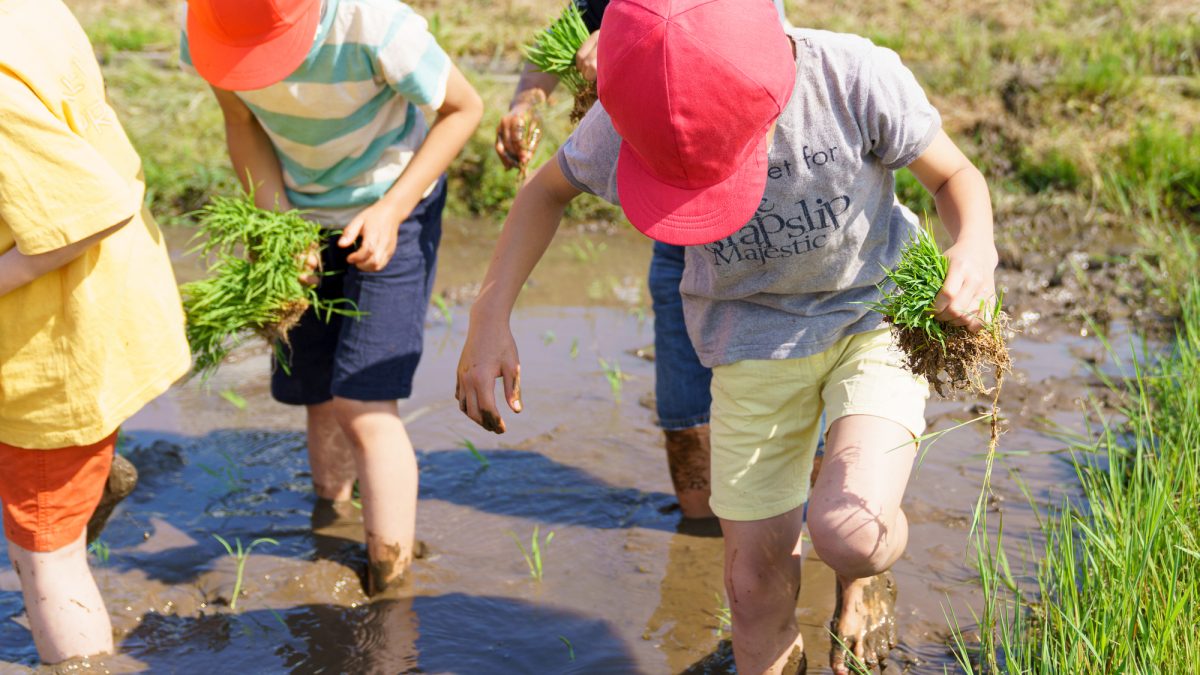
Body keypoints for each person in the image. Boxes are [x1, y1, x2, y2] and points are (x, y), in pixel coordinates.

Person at [456, 0, 998, 672]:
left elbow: (955, 175)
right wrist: (489, 316)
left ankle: (866, 575)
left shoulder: (852, 76)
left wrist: (975, 246)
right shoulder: (630, 108)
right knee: (750, 590)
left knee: (849, 530)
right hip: (748, 340)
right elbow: (545, 192)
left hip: (872, 315)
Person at [182, 0, 483, 594]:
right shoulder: (210, 28)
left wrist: (392, 210)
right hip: (298, 217)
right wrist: (279, 227)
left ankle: (390, 582)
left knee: (364, 401)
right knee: (318, 389)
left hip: (395, 203)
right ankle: (331, 514)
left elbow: (462, 108)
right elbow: (241, 124)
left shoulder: (373, 22)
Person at [493, 0, 790, 522]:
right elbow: (566, 32)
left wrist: (626, 49)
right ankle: (701, 561)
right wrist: (526, 102)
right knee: (690, 446)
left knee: (792, 439)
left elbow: (738, 50)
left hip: (773, 225)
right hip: (680, 225)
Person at [0, 0, 192, 663]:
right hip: (102, 302)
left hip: (53, 348)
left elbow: (88, 212)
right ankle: (99, 478)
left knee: (44, 556)